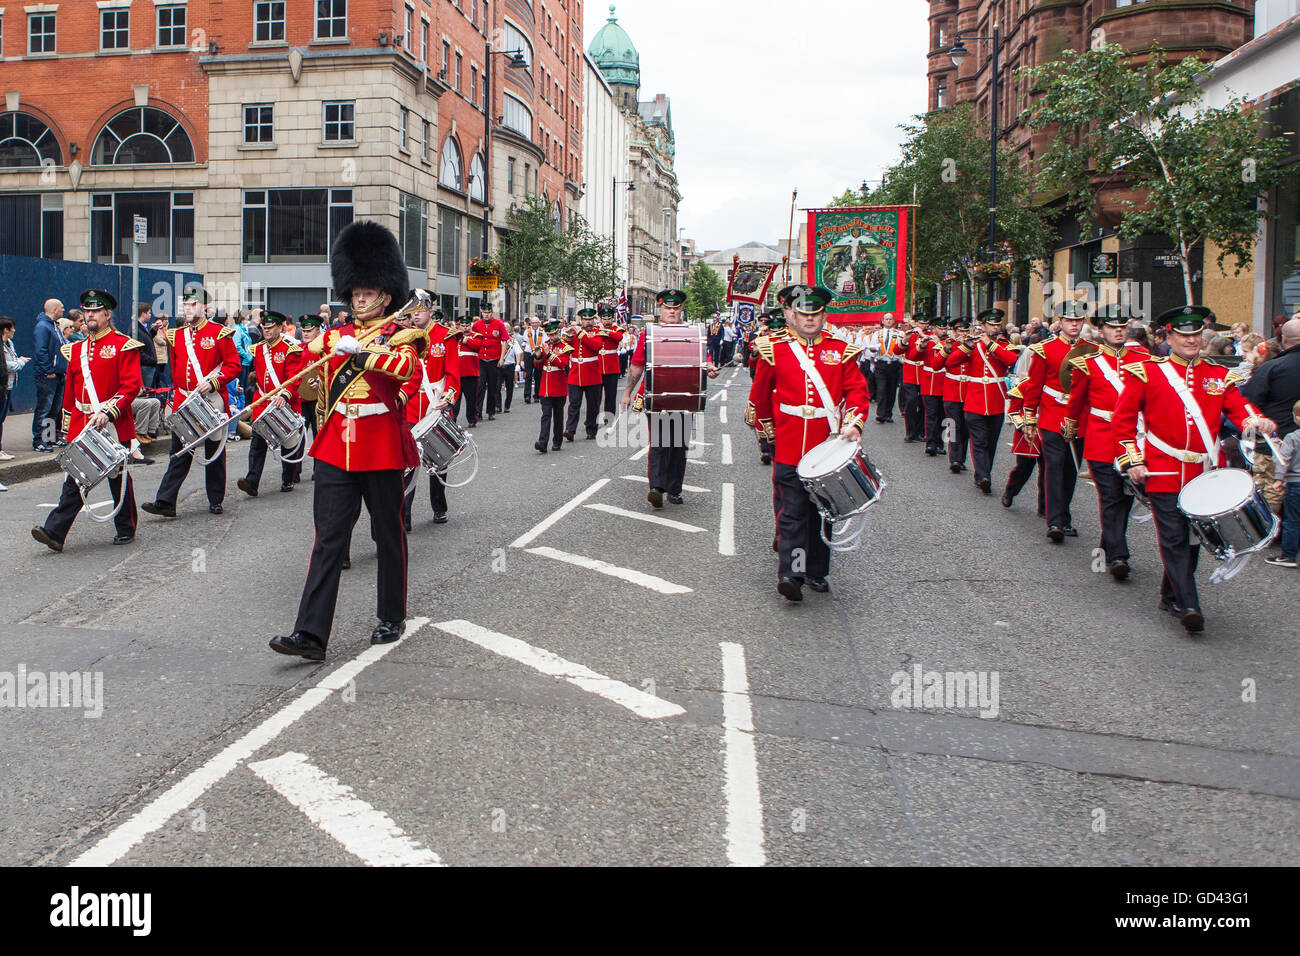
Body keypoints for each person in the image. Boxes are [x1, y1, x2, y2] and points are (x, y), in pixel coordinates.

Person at [270, 220, 426, 661]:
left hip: (379, 444)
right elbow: (309, 388)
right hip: (337, 445)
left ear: (386, 295)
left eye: (367, 293)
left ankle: (391, 615)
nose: (359, 299)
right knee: (328, 539)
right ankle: (311, 635)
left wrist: (360, 352)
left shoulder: (404, 333)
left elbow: (404, 370)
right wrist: (312, 352)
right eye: (354, 293)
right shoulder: (335, 335)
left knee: (387, 534)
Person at [1113, 305, 1276, 633]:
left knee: (1193, 537)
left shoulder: (1218, 375)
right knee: (1173, 536)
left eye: (1197, 334)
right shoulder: (1147, 372)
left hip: (1204, 472)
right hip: (1163, 469)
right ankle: (1190, 604)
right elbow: (1123, 421)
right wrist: (1133, 459)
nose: (1192, 340)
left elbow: (1238, 407)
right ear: (1168, 336)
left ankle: (1170, 594)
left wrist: (1255, 420)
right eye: (1184, 335)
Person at [748, 284, 868, 601]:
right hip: (788, 444)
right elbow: (760, 396)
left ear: (823, 315)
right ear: (791, 315)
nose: (810, 319)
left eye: (815, 313)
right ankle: (792, 574)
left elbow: (857, 391)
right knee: (793, 513)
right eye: (803, 313)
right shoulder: (774, 349)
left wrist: (854, 422)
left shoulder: (840, 350)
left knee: (822, 512)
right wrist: (766, 431)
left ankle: (817, 572)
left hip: (826, 446)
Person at [31, 290, 142, 551]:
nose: (89, 316)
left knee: (117, 477)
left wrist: (109, 412)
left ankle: (126, 527)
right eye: (86, 312)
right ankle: (55, 533)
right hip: (83, 423)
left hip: (112, 423)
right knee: (76, 478)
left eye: (95, 311)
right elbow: (70, 391)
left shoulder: (123, 345)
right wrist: (68, 428)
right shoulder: (76, 349)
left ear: (107, 314)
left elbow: (131, 386)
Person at [141, 287, 241, 518]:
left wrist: (214, 382)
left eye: (193, 304)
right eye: (185, 305)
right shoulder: (176, 335)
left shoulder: (219, 333)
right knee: (179, 452)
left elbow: (233, 365)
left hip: (211, 399)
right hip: (186, 400)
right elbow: (176, 373)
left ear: (204, 307)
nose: (188, 309)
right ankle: (165, 501)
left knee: (214, 450)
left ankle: (215, 499)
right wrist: (176, 402)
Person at [1061, 304, 1143, 580]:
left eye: (1122, 327)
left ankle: (1109, 543)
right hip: (1101, 437)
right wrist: (1070, 426)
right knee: (1109, 497)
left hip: (1132, 439)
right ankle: (1119, 555)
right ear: (1100, 330)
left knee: (1125, 497)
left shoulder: (1143, 360)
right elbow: (1077, 401)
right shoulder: (1089, 363)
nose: (1118, 332)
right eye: (1112, 327)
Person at [622, 289, 720, 507]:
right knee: (659, 442)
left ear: (681, 309)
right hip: (657, 395)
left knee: (678, 444)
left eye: (676, 308)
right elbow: (637, 365)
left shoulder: (693, 333)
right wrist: (628, 393)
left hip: (686, 395)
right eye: (668, 307)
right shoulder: (649, 333)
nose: (672, 311)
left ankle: (674, 489)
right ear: (660, 308)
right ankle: (656, 487)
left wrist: (711, 368)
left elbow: (704, 358)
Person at [1016, 300, 1090, 541]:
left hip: (1079, 418)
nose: (1074, 325)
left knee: (1070, 469)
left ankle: (1064, 515)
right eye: (1069, 321)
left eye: (1078, 320)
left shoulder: (1092, 351)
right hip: (1051, 415)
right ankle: (1055, 520)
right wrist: (1029, 419)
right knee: (1054, 466)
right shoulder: (1045, 349)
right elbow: (1033, 386)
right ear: (1060, 323)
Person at [946, 309, 1020, 493]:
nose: (995, 327)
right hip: (975, 400)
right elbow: (951, 362)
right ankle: (983, 476)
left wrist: (991, 345)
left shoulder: (1004, 344)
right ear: (984, 326)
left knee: (991, 442)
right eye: (991, 325)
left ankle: (984, 472)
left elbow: (1011, 360)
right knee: (979, 441)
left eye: (997, 324)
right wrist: (967, 347)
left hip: (995, 400)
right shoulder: (974, 344)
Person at [400, 304, 460, 527]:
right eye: (412, 312)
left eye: (420, 311)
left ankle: (439, 507)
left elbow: (453, 373)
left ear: (431, 312)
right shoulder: (404, 337)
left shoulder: (446, 336)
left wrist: (448, 397)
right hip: (411, 404)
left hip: (435, 403)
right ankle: (404, 514)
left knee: (439, 459)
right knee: (408, 461)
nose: (415, 315)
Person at [237, 311, 306, 498]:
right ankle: (252, 481)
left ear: (279, 328)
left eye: (270, 327)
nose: (266, 331)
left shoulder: (290, 349)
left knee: (288, 442)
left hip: (285, 401)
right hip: (263, 401)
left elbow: (295, 376)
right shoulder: (257, 349)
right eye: (264, 327)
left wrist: (285, 394)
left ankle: (288, 478)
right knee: (257, 442)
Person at [745, 308, 788, 465]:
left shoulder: (792, 343)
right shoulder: (762, 341)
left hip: (785, 387)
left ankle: (779, 450)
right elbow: (752, 362)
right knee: (763, 413)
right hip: (764, 384)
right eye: (773, 329)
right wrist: (755, 352)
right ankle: (765, 449)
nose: (775, 332)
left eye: (779, 328)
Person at [1263, 398, 1300, 568]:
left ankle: (1288, 556)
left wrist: (1279, 479)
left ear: (1297, 418)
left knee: (1292, 520)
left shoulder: (1293, 437)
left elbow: (1283, 459)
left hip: (1295, 483)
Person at [564, 309, 607, 441]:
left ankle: (591, 429)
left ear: (593, 320)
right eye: (585, 320)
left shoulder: (598, 332)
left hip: (592, 374)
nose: (588, 322)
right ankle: (570, 430)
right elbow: (566, 346)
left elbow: (596, 346)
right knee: (574, 404)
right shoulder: (575, 332)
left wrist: (581, 334)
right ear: (581, 320)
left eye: (590, 319)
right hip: (575, 373)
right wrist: (569, 336)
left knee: (593, 405)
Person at [31, 298, 68, 451]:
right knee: (44, 408)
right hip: (48, 375)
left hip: (58, 373)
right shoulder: (43, 327)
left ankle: (50, 438)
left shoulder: (53, 326)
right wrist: (48, 371)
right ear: (54, 310)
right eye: (61, 307)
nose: (63, 310)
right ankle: (39, 441)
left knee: (54, 408)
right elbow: (41, 351)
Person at [937, 318, 970, 474]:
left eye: (965, 331)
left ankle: (961, 458)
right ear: (954, 332)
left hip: (969, 391)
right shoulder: (949, 345)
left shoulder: (973, 346)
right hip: (952, 390)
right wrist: (947, 349)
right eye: (960, 331)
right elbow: (937, 365)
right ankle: (955, 459)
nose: (963, 334)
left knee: (966, 428)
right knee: (954, 425)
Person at [533, 319, 570, 453]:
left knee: (558, 416)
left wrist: (549, 354)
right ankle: (543, 442)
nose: (552, 337)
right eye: (550, 335)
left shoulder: (565, 346)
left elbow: (562, 364)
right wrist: (538, 356)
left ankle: (557, 441)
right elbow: (538, 366)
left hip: (559, 386)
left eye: (554, 334)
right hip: (546, 387)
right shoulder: (545, 345)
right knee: (546, 415)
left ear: (558, 332)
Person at [472, 301, 509, 421]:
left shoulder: (499, 324)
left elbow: (504, 341)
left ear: (492, 313)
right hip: (481, 359)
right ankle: (478, 411)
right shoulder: (477, 325)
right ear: (481, 312)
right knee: (480, 386)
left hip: (494, 359)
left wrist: (502, 358)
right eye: (484, 313)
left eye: (488, 313)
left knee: (493, 386)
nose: (486, 315)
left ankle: (491, 411)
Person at [1, 316, 31, 461]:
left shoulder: (9, 343)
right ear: (6, 329)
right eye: (12, 328)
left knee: (2, 418)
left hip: (9, 385)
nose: (14, 330)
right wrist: (21, 362)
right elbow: (8, 365)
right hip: (3, 386)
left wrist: (18, 361)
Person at [867, 313, 905, 424]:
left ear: (893, 321)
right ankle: (881, 414)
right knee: (881, 388)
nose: (888, 321)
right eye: (886, 319)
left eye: (890, 319)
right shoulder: (877, 333)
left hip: (894, 363)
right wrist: (873, 353)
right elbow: (872, 348)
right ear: (882, 321)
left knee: (892, 389)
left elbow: (903, 347)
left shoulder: (899, 334)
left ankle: (888, 414)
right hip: (881, 363)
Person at [918, 321, 947, 457]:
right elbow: (912, 356)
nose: (942, 331)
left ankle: (942, 443)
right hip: (929, 382)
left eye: (944, 328)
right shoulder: (927, 340)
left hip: (945, 382)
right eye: (940, 328)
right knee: (931, 415)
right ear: (934, 328)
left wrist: (939, 344)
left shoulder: (949, 342)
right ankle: (930, 443)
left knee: (944, 415)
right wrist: (922, 345)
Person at [454, 316, 484, 428]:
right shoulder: (453, 337)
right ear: (458, 326)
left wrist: (463, 338)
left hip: (471, 373)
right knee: (454, 400)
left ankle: (472, 419)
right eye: (463, 326)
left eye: (467, 326)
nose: (465, 328)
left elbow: (476, 346)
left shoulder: (476, 336)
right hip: (456, 373)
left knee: (471, 400)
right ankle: (453, 419)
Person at [899, 316, 926, 443]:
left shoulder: (929, 335)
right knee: (911, 402)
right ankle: (910, 431)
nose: (923, 325)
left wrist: (923, 334)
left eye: (926, 323)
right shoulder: (909, 335)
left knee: (923, 404)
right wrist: (905, 340)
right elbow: (897, 351)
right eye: (921, 323)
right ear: (915, 323)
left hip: (924, 373)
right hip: (910, 373)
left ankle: (920, 431)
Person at [596, 303, 625, 421]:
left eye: (609, 318)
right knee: (595, 396)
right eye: (604, 318)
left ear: (612, 318)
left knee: (611, 395)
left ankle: (609, 418)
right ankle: (593, 418)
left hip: (612, 368)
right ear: (600, 318)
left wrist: (606, 331)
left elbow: (618, 337)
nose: (606, 321)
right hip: (597, 367)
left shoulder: (616, 329)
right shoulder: (595, 329)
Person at [522, 316, 545, 404]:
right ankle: (527, 396)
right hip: (529, 354)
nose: (534, 324)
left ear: (539, 323)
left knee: (538, 375)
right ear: (530, 323)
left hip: (539, 354)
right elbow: (524, 343)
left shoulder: (543, 331)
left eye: (536, 322)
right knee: (528, 375)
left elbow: (545, 342)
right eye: (533, 323)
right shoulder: (526, 331)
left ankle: (537, 395)